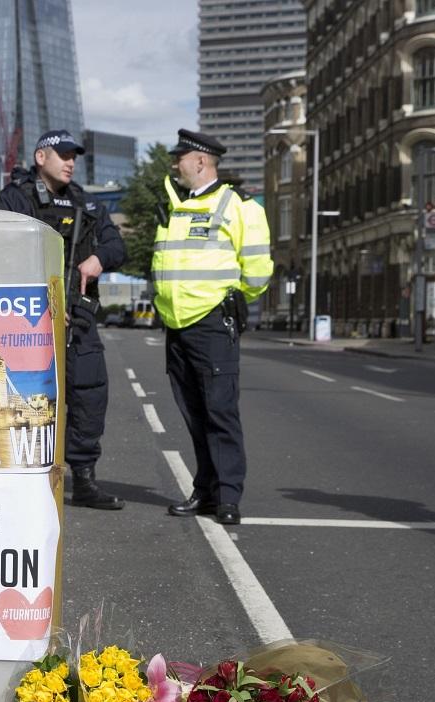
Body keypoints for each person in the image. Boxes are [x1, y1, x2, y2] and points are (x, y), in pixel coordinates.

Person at [0, 130, 128, 510]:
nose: (71, 163)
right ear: (41, 157)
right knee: (25, 398)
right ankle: (21, 481)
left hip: (79, 319)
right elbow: (2, 251)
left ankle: (83, 480)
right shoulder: (14, 199)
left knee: (89, 394)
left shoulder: (85, 202)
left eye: (74, 157)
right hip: (29, 320)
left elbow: (117, 245)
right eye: (63, 155)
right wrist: (41, 304)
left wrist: (99, 258)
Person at [154, 129, 272, 526]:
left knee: (220, 412)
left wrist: (232, 300)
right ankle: (205, 491)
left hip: (211, 322)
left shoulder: (238, 206)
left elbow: (258, 270)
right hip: (176, 324)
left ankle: (227, 496)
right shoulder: (175, 207)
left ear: (201, 161)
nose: (175, 164)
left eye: (181, 157)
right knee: (194, 414)